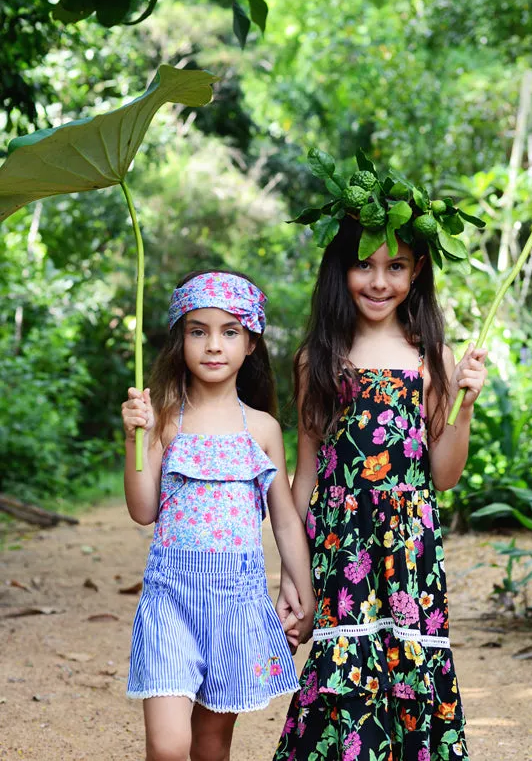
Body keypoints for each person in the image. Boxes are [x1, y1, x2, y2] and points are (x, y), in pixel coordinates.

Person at [274, 173, 488, 761]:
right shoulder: (317, 357)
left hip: (410, 547)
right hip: (341, 542)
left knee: (410, 668)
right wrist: (294, 574)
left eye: (396, 266)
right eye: (364, 264)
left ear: (417, 270)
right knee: (342, 672)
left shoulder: (431, 358)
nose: (379, 280)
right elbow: (307, 468)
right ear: (340, 269)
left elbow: (441, 475)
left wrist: (464, 408)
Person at [121, 269, 314, 761]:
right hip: (171, 601)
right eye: (198, 331)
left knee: (210, 748)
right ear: (179, 339)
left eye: (229, 331)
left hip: (237, 605)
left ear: (250, 343)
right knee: (168, 746)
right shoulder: (163, 417)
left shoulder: (264, 429)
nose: (213, 345)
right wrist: (135, 440)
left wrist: (303, 591)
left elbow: (287, 520)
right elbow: (143, 511)